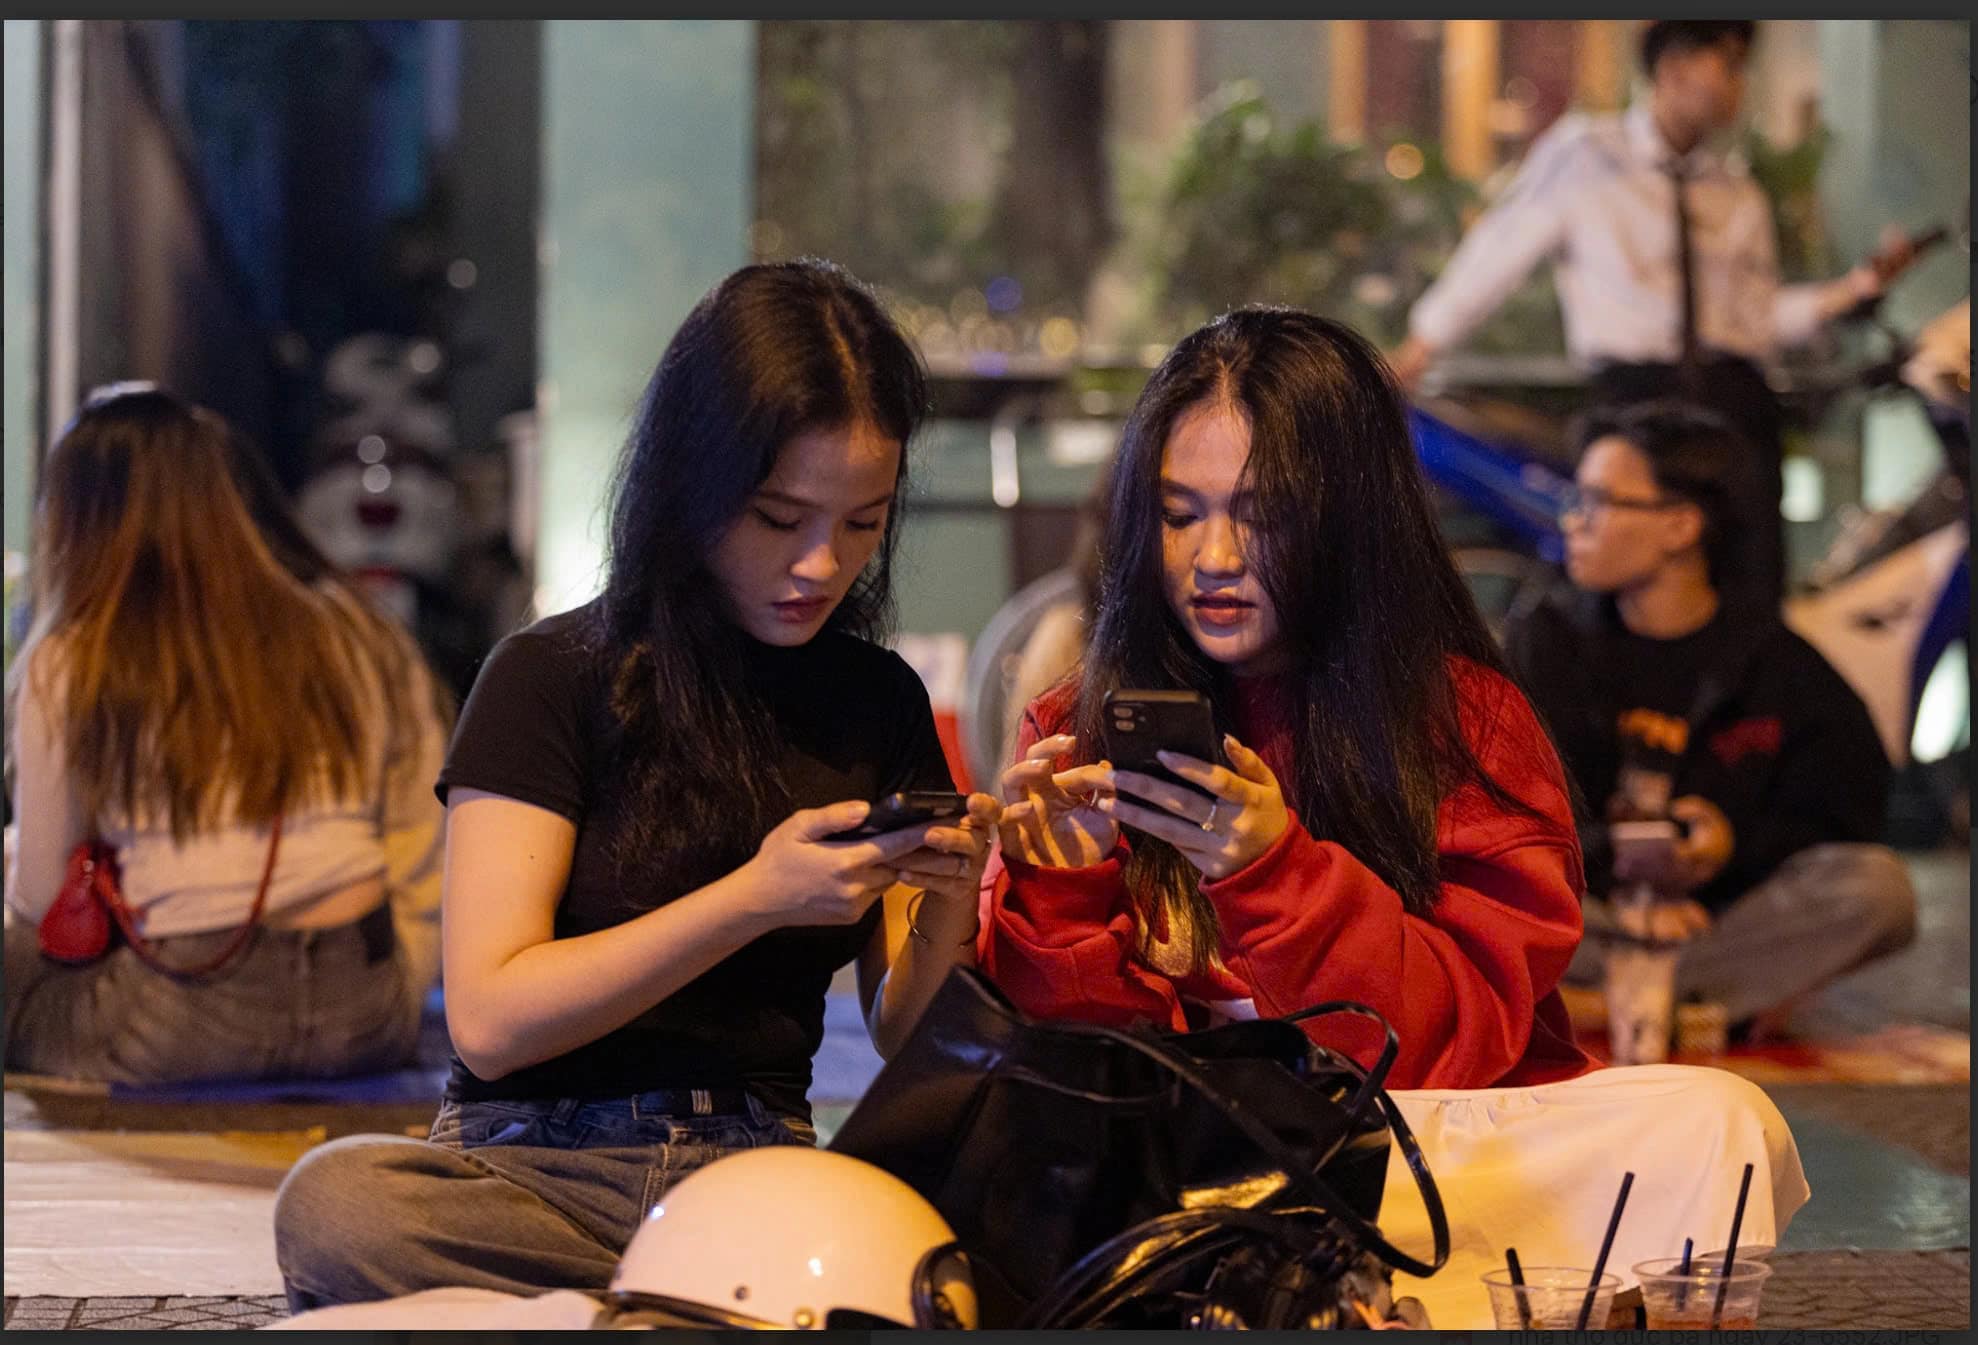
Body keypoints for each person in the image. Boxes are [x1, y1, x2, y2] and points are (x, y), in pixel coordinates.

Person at [979, 310, 1808, 1330]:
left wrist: (1270, 871)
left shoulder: (1463, 723)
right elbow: (1082, 1086)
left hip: (1424, 1154)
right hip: (1190, 1181)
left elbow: (1445, 1053)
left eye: (1261, 514)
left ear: (1346, 516)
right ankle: (1365, 1297)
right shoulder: (1075, 724)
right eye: (1180, 513)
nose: (1213, 557)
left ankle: (1336, 1296)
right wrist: (1059, 892)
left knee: (1718, 1121)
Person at [273, 259, 1001, 1310]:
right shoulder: (546, 676)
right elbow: (489, 1015)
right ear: (691, 486)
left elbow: (899, 1031)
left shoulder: (876, 697)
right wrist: (751, 900)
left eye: (860, 523)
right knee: (339, 1206)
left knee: (964, 1212)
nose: (818, 564)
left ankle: (656, 1304)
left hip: (754, 1172)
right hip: (528, 1168)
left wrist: (952, 895)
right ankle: (695, 1304)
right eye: (776, 516)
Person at [1391, 19, 1922, 609]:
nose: (1737, 84)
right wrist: (1418, 349)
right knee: (1626, 591)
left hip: (1735, 406)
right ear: (1672, 67)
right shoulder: (1587, 157)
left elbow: (1756, 318)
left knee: (1747, 592)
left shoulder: (1736, 192)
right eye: (1726, 64)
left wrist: (1851, 290)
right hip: (1635, 405)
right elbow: (1497, 252)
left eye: (1742, 67)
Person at [4, 387, 447, 1083]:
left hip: (184, 1010)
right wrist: (408, 975)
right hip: (366, 1006)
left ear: (75, 519)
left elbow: (38, 895)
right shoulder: (348, 627)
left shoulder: (76, 656)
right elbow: (422, 835)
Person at [1504, 400, 1916, 1038]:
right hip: (1590, 914)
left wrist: (1725, 847)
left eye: (1598, 501)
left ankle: (1631, 997)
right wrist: (1621, 859)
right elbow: (1507, 815)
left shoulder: (1775, 663)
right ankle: (1691, 1003)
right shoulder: (1546, 639)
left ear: (1680, 527)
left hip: (1711, 923)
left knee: (1878, 891)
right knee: (1456, 895)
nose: (1574, 521)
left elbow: (1844, 816)